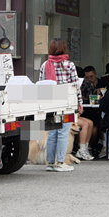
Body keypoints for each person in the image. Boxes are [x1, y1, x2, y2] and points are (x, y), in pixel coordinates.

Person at [39, 38, 81, 172]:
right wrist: (79, 103)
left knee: (51, 133)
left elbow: (41, 84)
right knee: (63, 133)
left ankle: (50, 163)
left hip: (50, 103)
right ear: (64, 48)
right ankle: (61, 162)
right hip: (66, 103)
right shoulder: (69, 65)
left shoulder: (45, 64)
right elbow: (75, 86)